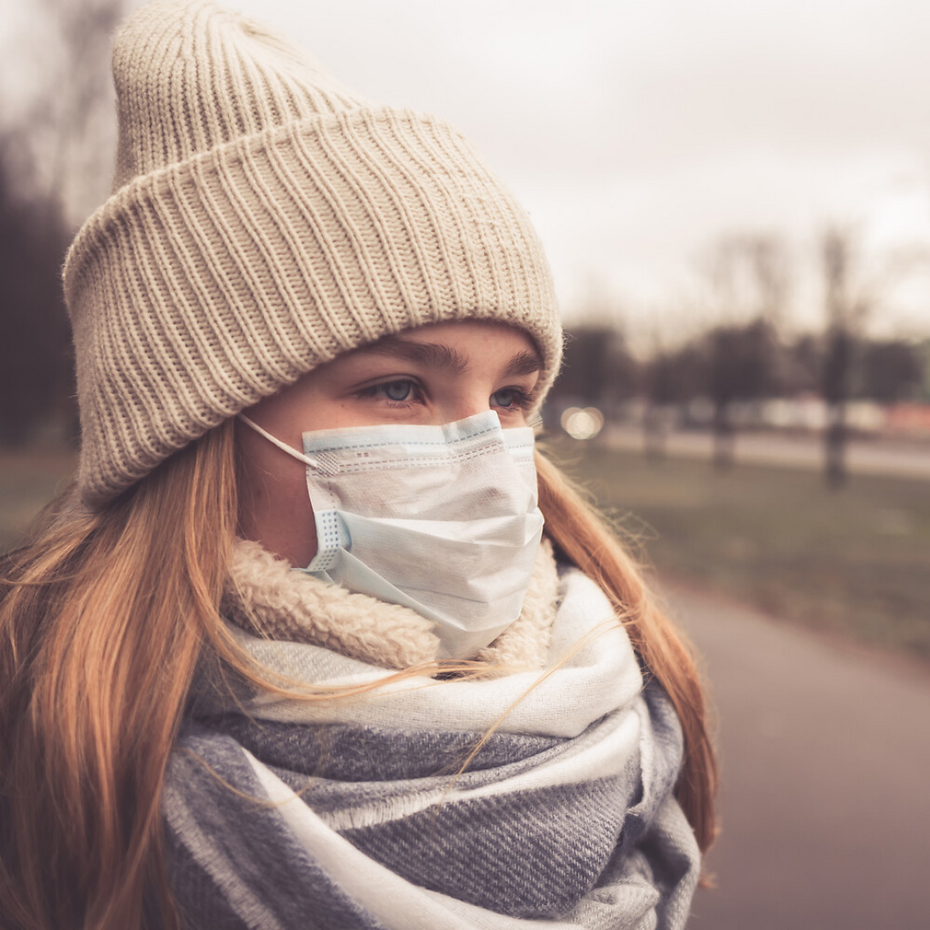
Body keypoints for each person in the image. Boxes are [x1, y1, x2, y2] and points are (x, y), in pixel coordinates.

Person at [0, 2, 717, 928]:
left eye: (510, 396)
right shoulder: (52, 792)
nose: (487, 456)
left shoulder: (625, 717)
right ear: (191, 430)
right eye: (398, 388)